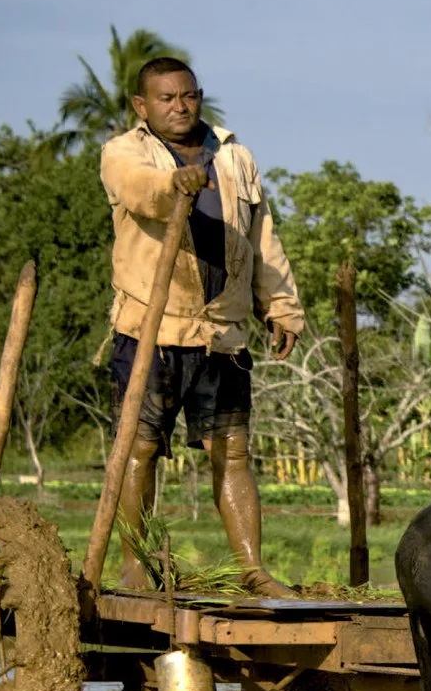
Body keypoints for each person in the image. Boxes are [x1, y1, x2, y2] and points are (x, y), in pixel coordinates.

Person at [98, 56, 306, 597]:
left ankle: (253, 570)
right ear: (142, 107)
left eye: (187, 96)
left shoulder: (234, 156)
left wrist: (280, 305)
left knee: (231, 451)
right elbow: (139, 190)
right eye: (165, 99)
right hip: (153, 330)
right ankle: (134, 566)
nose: (179, 107)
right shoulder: (124, 152)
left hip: (222, 332)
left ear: (199, 96)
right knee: (139, 449)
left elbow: (262, 238)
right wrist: (176, 183)